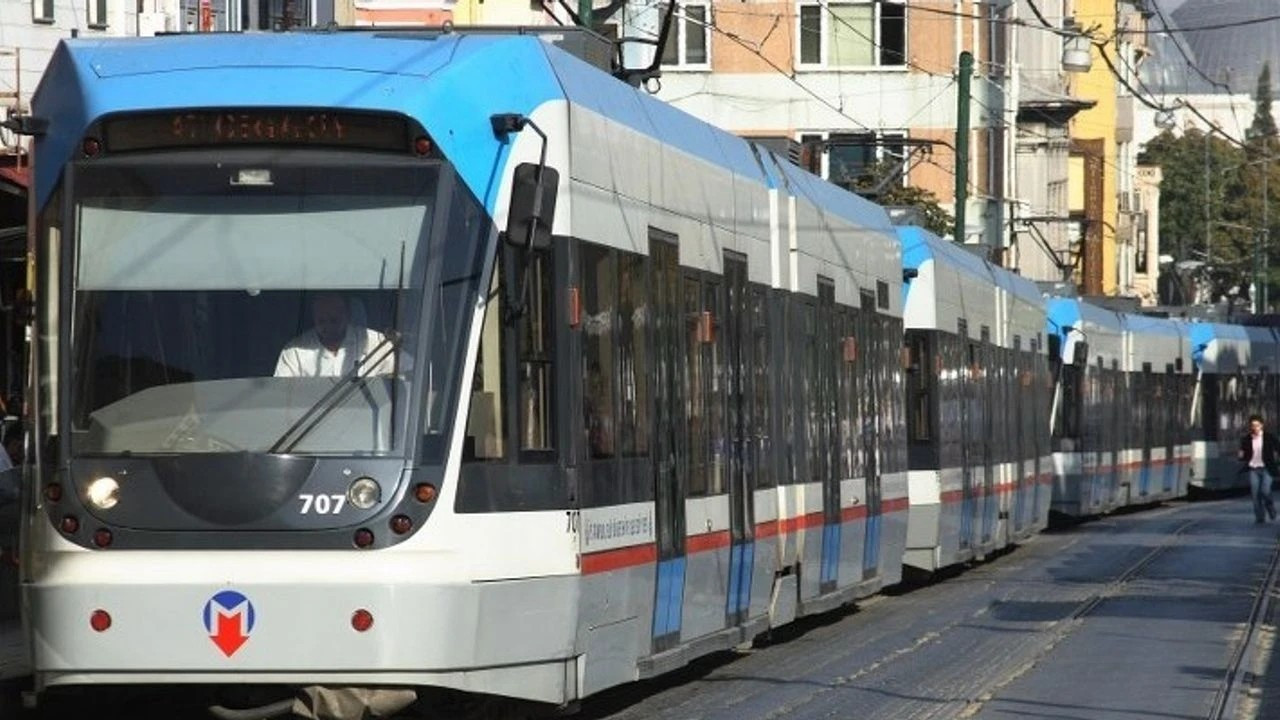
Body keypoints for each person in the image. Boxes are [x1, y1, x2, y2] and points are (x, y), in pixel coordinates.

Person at [275, 293, 398, 378]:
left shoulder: (377, 343)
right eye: (321, 321)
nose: (328, 326)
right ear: (313, 318)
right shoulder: (294, 352)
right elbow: (282, 396)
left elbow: (405, 376)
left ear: (348, 315)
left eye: (334, 320)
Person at [1238, 414, 1280, 523]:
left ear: (1262, 425)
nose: (1255, 428)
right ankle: (1260, 517)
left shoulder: (1269, 437)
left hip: (1267, 468)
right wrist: (1241, 455)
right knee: (1255, 494)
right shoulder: (1246, 439)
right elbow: (1243, 453)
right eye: (1253, 426)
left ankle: (1271, 508)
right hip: (1253, 469)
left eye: (1257, 425)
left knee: (1265, 491)